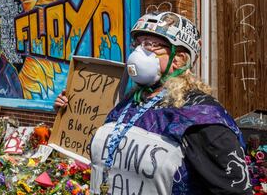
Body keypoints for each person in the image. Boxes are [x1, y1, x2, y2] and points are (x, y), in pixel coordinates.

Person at [54, 12, 252, 195]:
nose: (140, 51)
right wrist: (68, 113)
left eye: (151, 44)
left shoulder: (201, 117)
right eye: (138, 43)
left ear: (180, 59)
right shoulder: (130, 103)